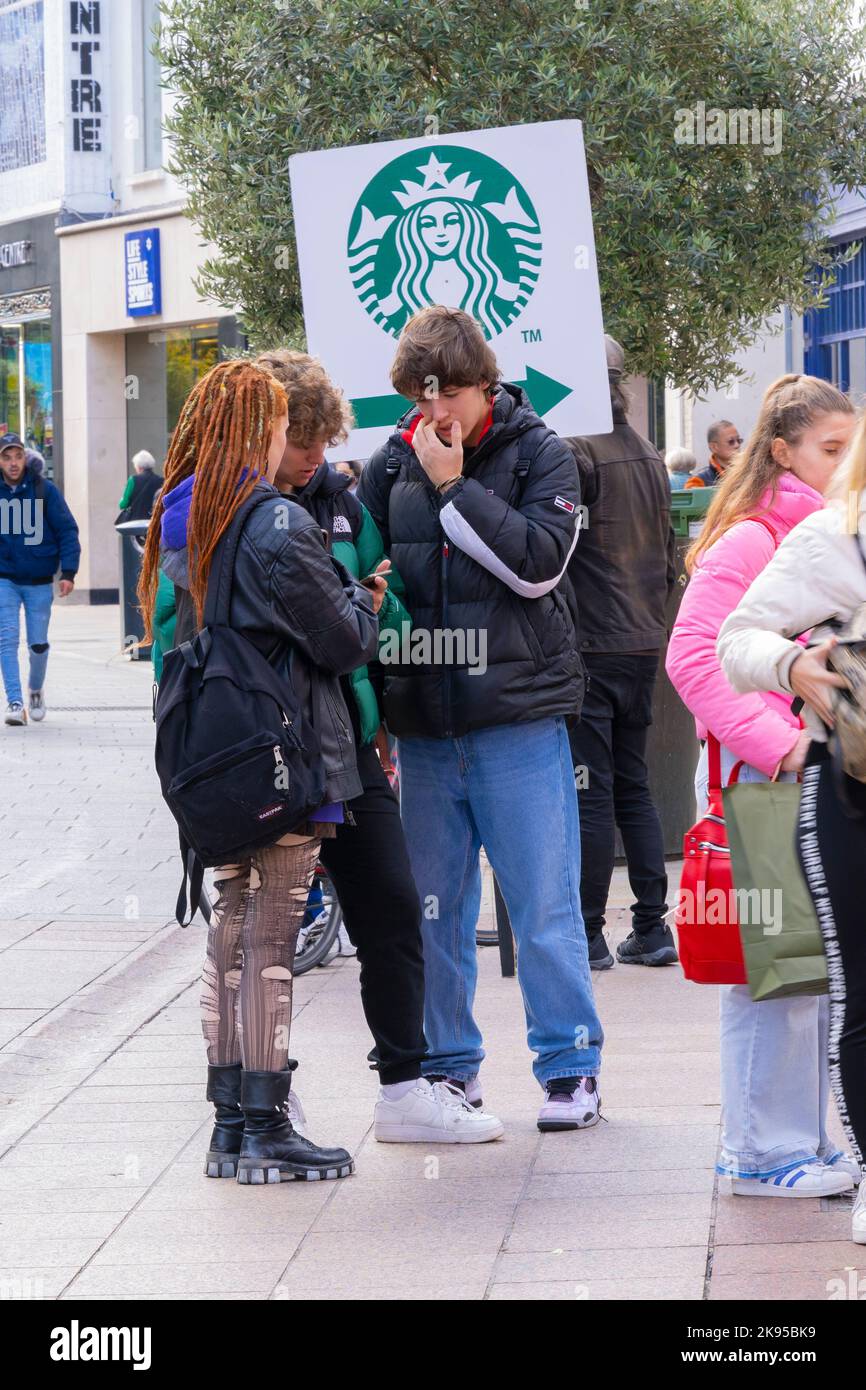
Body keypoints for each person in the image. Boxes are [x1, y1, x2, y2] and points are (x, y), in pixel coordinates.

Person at [358, 305, 603, 1133]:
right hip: (425, 724)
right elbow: (362, 580)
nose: (437, 417)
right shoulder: (387, 464)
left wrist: (454, 488)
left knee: (541, 905)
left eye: (451, 397)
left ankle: (570, 1068)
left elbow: (537, 569)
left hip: (518, 719)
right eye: (422, 401)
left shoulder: (542, 454)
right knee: (436, 908)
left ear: (485, 384)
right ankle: (448, 1068)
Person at [139, 359, 383, 1184]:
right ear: (259, 430)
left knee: (233, 928)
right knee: (273, 930)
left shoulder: (185, 516)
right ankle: (268, 1123)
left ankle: (230, 1126)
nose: (291, 437)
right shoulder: (274, 522)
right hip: (281, 750)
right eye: (282, 422)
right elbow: (342, 640)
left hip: (216, 750)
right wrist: (366, 598)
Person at [253, 348, 501, 1144]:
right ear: (266, 432)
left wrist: (367, 612)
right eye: (302, 445)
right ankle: (263, 1092)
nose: (316, 461)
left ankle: (405, 1088)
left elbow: (380, 627)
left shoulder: (343, 507)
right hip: (264, 752)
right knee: (264, 931)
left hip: (347, 743)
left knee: (393, 908)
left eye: (326, 445)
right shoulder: (224, 508)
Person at [668, 373, 860, 1198]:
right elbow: (693, 658)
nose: (847, 463)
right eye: (830, 449)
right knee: (770, 974)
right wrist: (789, 749)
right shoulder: (754, 540)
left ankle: (795, 1144)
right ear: (782, 451)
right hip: (763, 785)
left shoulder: (819, 531)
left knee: (808, 973)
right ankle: (759, 1153)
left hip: (793, 781)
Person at [718, 408, 866, 1240]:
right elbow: (715, 647)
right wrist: (790, 683)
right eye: (831, 447)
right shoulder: (822, 538)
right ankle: (790, 1153)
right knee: (823, 987)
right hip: (842, 785)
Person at [566, 336, 678, 970]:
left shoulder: (576, 451)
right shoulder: (647, 453)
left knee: (590, 791)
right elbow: (667, 557)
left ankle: (588, 933)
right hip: (640, 642)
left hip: (592, 643)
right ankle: (651, 926)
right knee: (631, 785)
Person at [0, 431, 80, 726]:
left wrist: (68, 572)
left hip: (38, 580)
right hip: (4, 578)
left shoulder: (44, 490)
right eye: (6, 457)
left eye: (17, 456)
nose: (12, 463)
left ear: (25, 457)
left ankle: (35, 690)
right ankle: (15, 701)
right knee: (6, 639)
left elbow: (67, 530)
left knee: (38, 644)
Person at [684, 420, 743, 488]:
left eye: (738, 440)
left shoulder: (748, 474)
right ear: (714, 447)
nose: (737, 445)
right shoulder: (698, 482)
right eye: (731, 441)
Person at [116, 449, 163, 523]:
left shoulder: (133, 480)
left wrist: (122, 500)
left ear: (138, 467)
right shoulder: (161, 480)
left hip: (135, 523)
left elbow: (123, 504)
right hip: (153, 523)